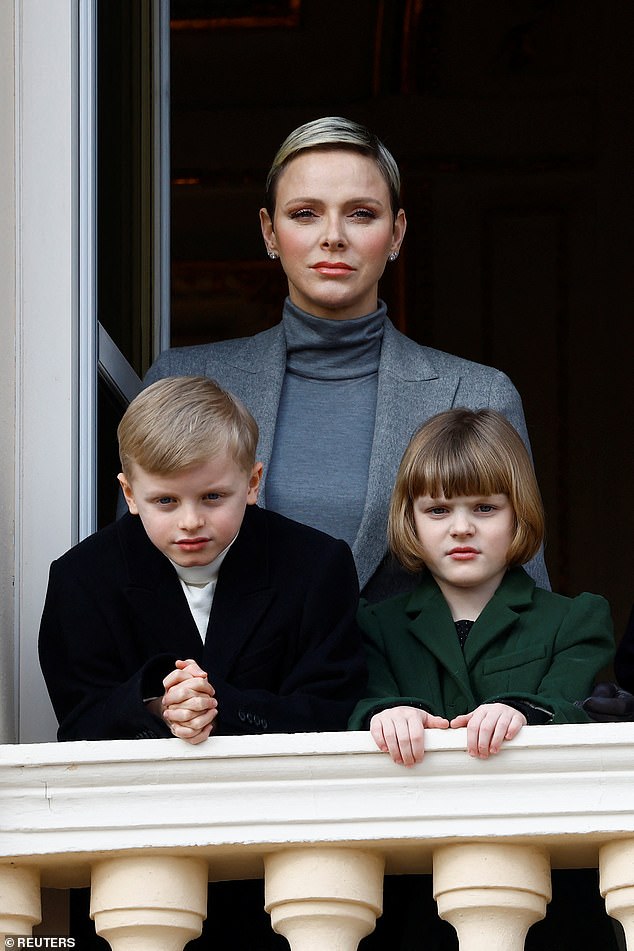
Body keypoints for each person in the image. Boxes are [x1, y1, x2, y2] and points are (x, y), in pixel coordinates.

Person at [143, 115, 549, 602]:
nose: (333, 236)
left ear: (396, 233)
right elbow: (133, 583)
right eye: (305, 213)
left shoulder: (477, 395)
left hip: (414, 679)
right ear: (269, 233)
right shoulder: (184, 381)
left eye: (360, 213)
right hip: (227, 680)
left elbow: (527, 604)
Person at [39, 375, 366, 949]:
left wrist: (219, 707)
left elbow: (334, 706)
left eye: (213, 497)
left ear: (253, 482)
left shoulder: (316, 565)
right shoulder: (82, 579)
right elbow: (80, 717)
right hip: (139, 853)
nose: (190, 521)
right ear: (129, 493)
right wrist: (154, 705)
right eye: (165, 501)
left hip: (285, 851)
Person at [348, 407, 616, 951]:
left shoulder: (575, 619)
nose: (461, 527)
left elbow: (571, 705)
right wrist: (384, 712)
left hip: (549, 898)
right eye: (438, 508)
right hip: (411, 897)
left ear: (520, 514)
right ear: (410, 519)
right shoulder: (373, 625)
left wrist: (521, 710)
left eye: (485, 507)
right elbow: (352, 703)